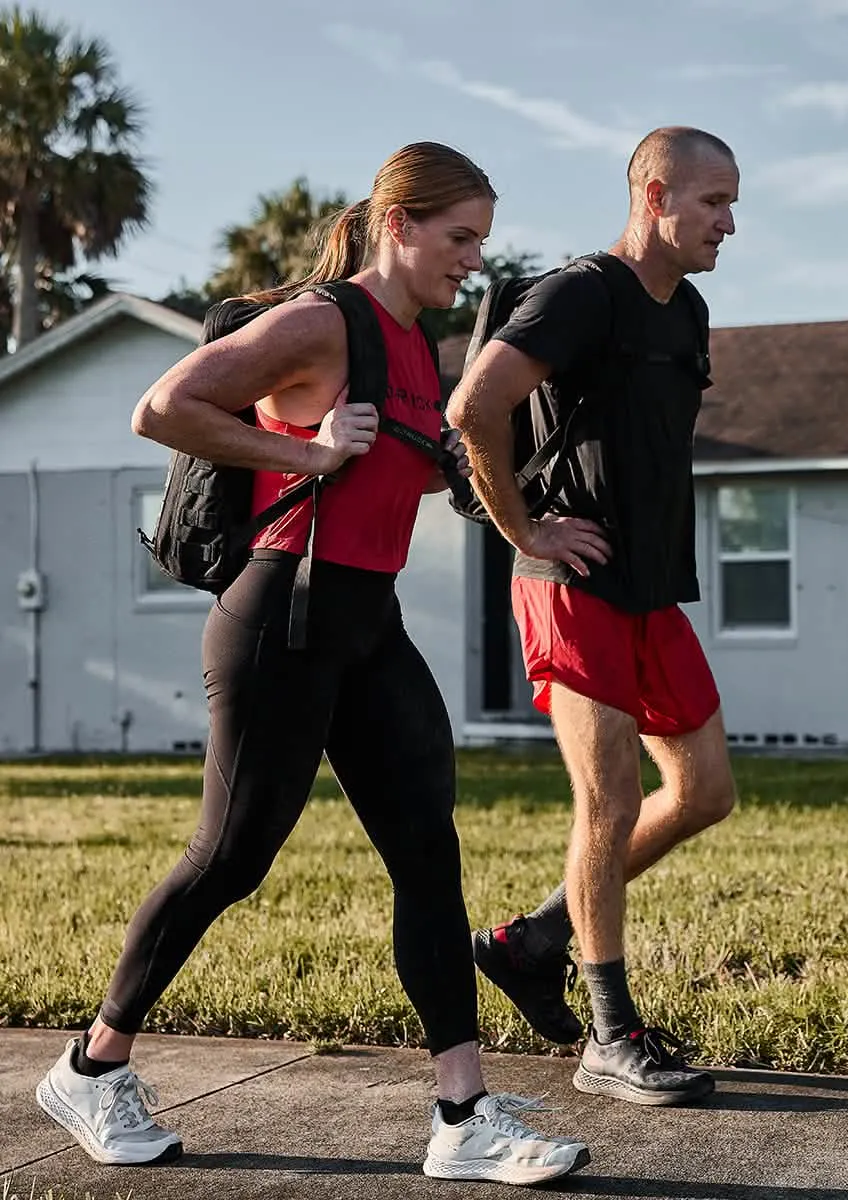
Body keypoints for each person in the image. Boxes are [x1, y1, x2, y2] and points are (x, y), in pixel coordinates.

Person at [35, 142, 589, 1187]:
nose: (472, 258)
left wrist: (524, 523)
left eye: (481, 239)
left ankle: (462, 1115)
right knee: (231, 858)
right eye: (458, 236)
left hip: (367, 621)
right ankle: (90, 1065)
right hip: (280, 618)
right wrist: (310, 453)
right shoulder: (322, 321)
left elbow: (406, 474)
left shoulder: (419, 347)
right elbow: (162, 407)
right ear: (399, 223)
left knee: (428, 850)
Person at [447, 126, 740, 1107]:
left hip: (653, 587)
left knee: (703, 791)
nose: (729, 224)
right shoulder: (580, 293)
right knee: (608, 804)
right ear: (656, 195)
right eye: (713, 203)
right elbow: (474, 408)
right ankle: (612, 1036)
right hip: (573, 587)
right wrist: (524, 532)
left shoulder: (687, 311)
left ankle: (535, 940)